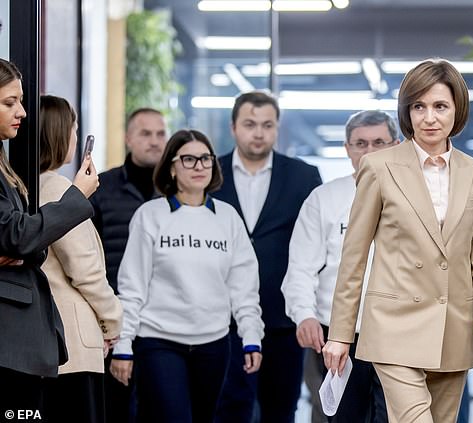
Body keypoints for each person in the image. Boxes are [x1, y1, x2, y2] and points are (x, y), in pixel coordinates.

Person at [322, 58, 473, 423]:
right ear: (407, 111)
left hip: (452, 328)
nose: (429, 117)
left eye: (440, 106)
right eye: (418, 106)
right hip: (394, 327)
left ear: (456, 110)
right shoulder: (379, 167)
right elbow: (354, 257)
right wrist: (341, 335)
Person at [110, 129, 264, 423]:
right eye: (189, 159)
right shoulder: (150, 215)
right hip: (158, 341)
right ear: (171, 166)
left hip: (214, 343)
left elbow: (244, 287)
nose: (199, 167)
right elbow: (132, 287)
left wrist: (251, 336)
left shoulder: (228, 217)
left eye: (205, 159)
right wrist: (123, 345)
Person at [213, 91, 322, 423]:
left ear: (277, 129)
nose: (258, 133)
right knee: (226, 411)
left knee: (281, 410)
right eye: (249, 124)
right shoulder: (210, 175)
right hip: (221, 318)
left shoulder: (304, 177)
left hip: (282, 320)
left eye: (267, 125)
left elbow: (317, 248)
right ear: (233, 127)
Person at [281, 110, 396, 422]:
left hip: (399, 334)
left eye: (378, 143)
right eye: (360, 143)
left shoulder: (415, 200)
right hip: (339, 337)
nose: (369, 151)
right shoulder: (324, 199)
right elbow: (301, 268)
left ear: (396, 145)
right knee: (344, 418)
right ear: (347, 148)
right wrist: (304, 314)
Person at [0, 59, 99, 415]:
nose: (22, 112)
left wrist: (23, 248)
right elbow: (19, 236)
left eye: (21, 101)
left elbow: (25, 244)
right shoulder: (57, 188)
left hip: (22, 340)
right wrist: (77, 197)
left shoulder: (7, 168)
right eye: (9, 102)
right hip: (11, 340)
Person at [37, 95, 123, 423]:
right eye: (73, 129)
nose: (76, 137)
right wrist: (113, 319)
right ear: (61, 135)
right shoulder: (59, 189)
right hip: (71, 342)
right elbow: (84, 269)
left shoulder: (27, 186)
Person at [90, 107, 167, 423]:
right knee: (118, 410)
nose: (154, 141)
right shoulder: (101, 189)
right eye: (145, 133)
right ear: (128, 138)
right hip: (116, 321)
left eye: (160, 134)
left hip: (167, 323)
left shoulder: (177, 194)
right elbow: (89, 259)